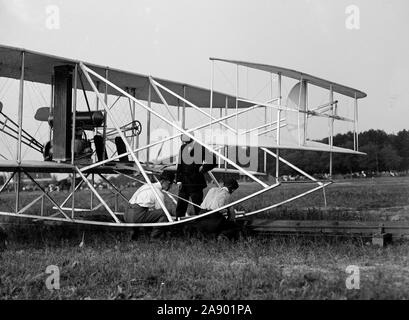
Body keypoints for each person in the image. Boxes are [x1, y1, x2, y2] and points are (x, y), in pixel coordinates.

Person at [175, 134, 217, 219]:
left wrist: (203, 168)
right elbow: (180, 165)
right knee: (181, 206)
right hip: (184, 183)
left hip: (195, 182)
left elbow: (213, 161)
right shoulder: (183, 147)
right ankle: (178, 225)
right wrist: (178, 180)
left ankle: (200, 225)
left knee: (197, 205)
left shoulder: (199, 147)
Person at [124, 171, 175, 238]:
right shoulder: (159, 193)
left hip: (127, 215)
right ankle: (155, 237)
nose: (170, 187)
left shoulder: (146, 185)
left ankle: (137, 234)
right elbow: (162, 212)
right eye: (170, 184)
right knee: (164, 213)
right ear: (167, 182)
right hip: (136, 216)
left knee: (150, 213)